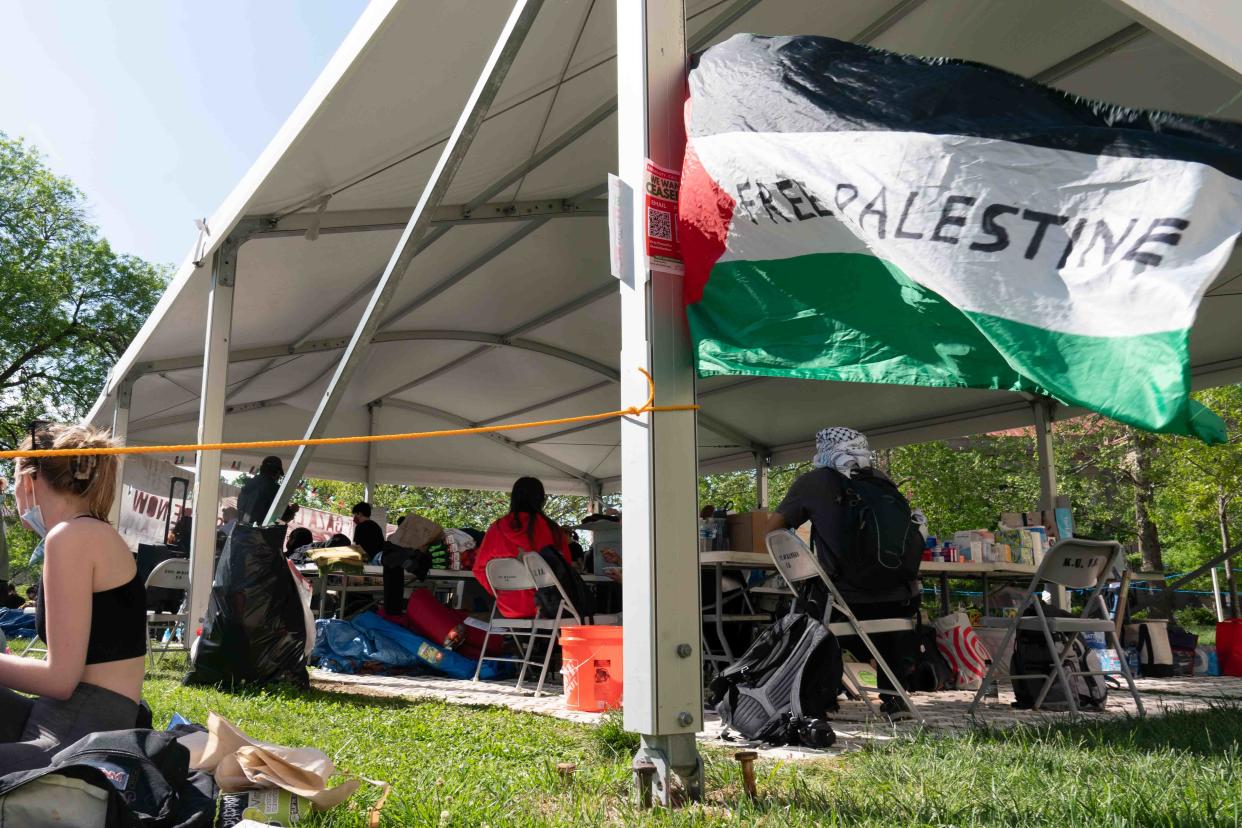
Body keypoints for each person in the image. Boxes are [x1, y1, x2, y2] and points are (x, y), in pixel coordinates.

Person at [0, 423, 144, 773]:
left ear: (30, 479)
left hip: (76, 737)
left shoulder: (69, 538)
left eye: (14, 479)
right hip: (75, 720)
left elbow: (59, 680)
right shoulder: (88, 532)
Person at [766, 427, 921, 716]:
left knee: (803, 612)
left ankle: (816, 697)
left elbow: (772, 531)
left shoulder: (815, 481)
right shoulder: (881, 481)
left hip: (844, 598)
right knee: (876, 596)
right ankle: (894, 696)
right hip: (898, 598)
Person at [473, 477, 571, 618]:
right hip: (547, 607)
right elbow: (566, 569)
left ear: (513, 498)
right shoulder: (552, 529)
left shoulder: (496, 528)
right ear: (541, 500)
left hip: (508, 607)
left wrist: (501, 591)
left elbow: (479, 569)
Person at [236, 456, 284, 525]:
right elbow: (280, 517)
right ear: (277, 472)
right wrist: (292, 511)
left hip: (241, 530)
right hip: (259, 533)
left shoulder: (248, 487)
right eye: (279, 474)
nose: (279, 477)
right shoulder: (273, 489)